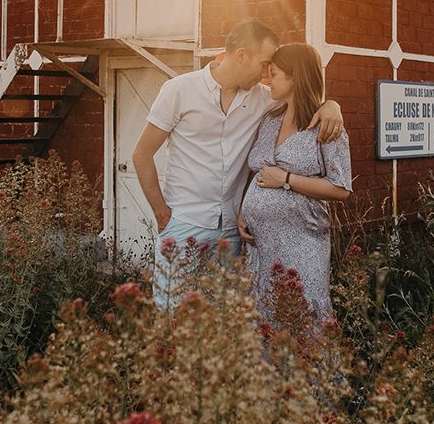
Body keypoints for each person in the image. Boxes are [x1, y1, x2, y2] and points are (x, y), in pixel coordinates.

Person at [132, 20, 343, 308]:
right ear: (242, 54)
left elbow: (302, 95)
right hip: (183, 226)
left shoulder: (264, 99)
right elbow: (141, 154)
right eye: (264, 63)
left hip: (232, 233)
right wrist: (163, 216)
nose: (267, 74)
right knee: (173, 318)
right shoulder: (179, 90)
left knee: (224, 322)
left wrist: (331, 105)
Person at [239, 43, 352, 321]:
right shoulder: (269, 119)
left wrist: (286, 179)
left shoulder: (326, 126)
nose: (267, 80)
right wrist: (244, 211)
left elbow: (340, 188)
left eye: (274, 74)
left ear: (296, 77)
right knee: (262, 313)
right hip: (260, 243)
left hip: (302, 241)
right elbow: (256, 172)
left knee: (300, 312)